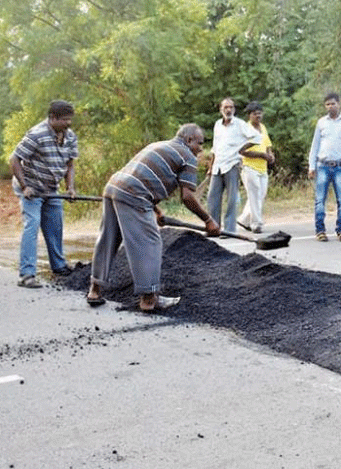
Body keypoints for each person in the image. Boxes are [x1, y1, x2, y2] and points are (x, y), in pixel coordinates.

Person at [86, 124, 221, 311]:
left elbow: (142, 176)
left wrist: (156, 210)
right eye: (199, 143)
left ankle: (95, 290)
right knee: (149, 242)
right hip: (134, 194)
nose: (201, 149)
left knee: (108, 239)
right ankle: (149, 299)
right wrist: (208, 220)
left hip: (113, 187)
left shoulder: (159, 145)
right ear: (189, 140)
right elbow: (188, 196)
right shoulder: (187, 156)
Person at [9, 100, 79, 288]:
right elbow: (14, 159)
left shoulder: (70, 137)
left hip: (51, 189)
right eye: (64, 119)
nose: (68, 123)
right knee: (32, 225)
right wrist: (25, 187)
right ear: (52, 118)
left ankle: (59, 266)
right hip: (31, 188)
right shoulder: (37, 134)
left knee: (55, 225)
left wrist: (70, 188)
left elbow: (70, 165)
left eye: (69, 119)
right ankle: (26, 275)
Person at [308, 92, 341, 241]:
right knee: (319, 200)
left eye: (333, 103)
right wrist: (311, 167)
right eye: (328, 104)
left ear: (339, 104)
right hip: (323, 165)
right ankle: (320, 231)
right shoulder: (321, 122)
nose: (331, 106)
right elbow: (315, 145)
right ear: (325, 106)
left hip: (340, 166)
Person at [206, 97, 262, 233]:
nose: (228, 110)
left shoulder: (240, 124)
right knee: (212, 197)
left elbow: (257, 137)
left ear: (234, 109)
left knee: (231, 200)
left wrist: (242, 149)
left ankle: (229, 230)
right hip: (218, 165)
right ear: (221, 109)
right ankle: (214, 228)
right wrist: (210, 166)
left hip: (232, 164)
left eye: (231, 107)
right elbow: (215, 147)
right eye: (226, 107)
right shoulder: (217, 125)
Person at [237, 101, 275, 234]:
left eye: (259, 113)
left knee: (261, 195)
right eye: (254, 113)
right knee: (254, 194)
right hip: (249, 167)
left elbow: (267, 144)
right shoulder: (245, 129)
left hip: (262, 168)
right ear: (249, 115)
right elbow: (241, 151)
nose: (258, 116)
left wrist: (270, 154)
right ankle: (256, 224)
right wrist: (261, 155)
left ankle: (243, 220)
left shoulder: (263, 127)